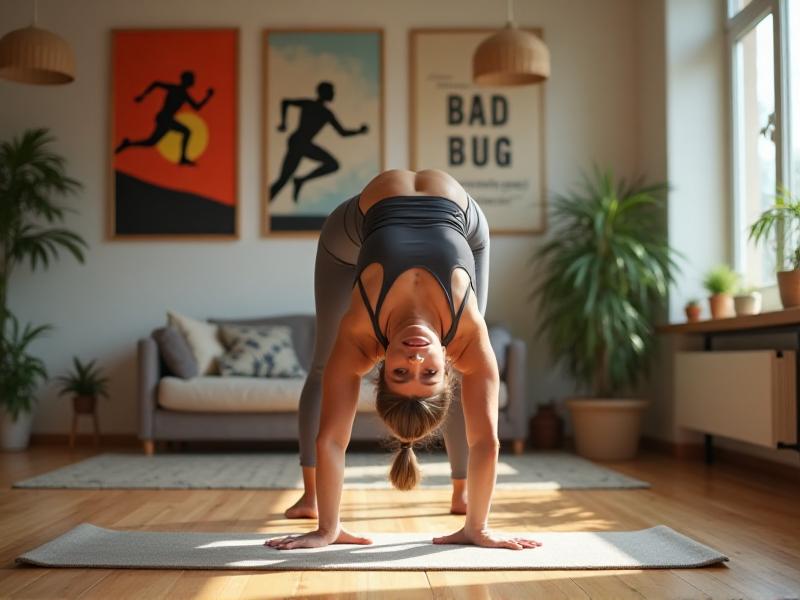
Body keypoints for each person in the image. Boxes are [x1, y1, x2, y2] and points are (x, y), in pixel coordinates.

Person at [267, 169, 541, 551]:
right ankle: (466, 504)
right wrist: (479, 529)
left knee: (323, 364)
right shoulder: (467, 337)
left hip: (355, 228)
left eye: (400, 372)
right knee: (472, 383)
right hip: (465, 220)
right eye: (427, 373)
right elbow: (487, 442)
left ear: (379, 366)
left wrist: (328, 529)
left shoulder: (360, 334)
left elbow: (331, 440)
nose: (414, 357)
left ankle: (459, 494)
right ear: (444, 362)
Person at [269, 81, 369, 203]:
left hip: (303, 143)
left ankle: (300, 180)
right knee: (283, 180)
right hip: (298, 142)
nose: (333, 94)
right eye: (331, 92)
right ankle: (278, 192)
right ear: (324, 93)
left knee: (332, 164)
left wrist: (358, 131)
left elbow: (342, 132)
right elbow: (286, 102)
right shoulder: (310, 105)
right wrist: (283, 123)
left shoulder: (327, 113)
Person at [115, 70, 214, 166]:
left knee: (151, 142)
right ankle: (182, 158)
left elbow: (196, 107)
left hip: (166, 118)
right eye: (192, 79)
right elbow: (156, 83)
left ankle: (127, 144)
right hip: (165, 118)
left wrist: (207, 97)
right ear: (186, 80)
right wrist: (142, 96)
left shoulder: (184, 94)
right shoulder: (176, 89)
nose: (193, 81)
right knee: (185, 132)